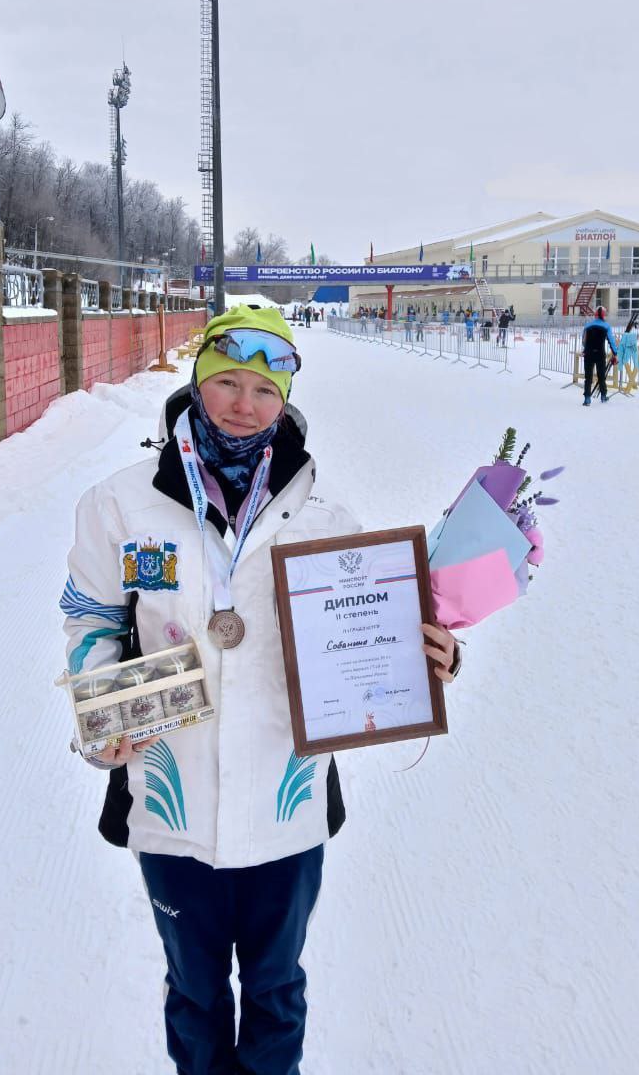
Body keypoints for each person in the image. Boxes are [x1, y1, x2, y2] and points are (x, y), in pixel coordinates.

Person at [62, 305, 460, 1075]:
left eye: (264, 390)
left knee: (277, 993)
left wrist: (428, 658)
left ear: (286, 402)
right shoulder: (122, 503)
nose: (245, 404)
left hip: (287, 814)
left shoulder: (323, 514)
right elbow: (90, 616)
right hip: (172, 808)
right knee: (196, 994)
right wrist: (99, 710)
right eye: (228, 383)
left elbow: (365, 629)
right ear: (198, 382)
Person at [581, 305, 618, 405]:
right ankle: (603, 396)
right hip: (600, 354)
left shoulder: (587, 326)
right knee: (601, 376)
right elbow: (611, 341)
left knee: (588, 377)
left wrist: (586, 348)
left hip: (588, 353)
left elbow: (583, 342)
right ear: (603, 315)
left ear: (595, 315)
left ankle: (587, 399)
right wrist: (615, 353)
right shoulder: (606, 326)